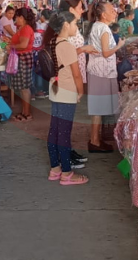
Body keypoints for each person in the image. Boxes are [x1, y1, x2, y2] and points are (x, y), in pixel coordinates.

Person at [46, 11, 88, 185]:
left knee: (54, 130)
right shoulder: (67, 46)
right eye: (75, 24)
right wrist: (81, 91)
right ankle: (67, 173)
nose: (76, 27)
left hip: (56, 89)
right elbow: (76, 74)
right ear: (66, 25)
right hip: (67, 91)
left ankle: (55, 168)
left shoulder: (54, 41)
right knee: (64, 133)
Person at [87, 1, 126, 152]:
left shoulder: (98, 26)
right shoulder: (103, 28)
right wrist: (119, 46)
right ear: (103, 15)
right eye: (112, 10)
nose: (115, 13)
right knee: (98, 108)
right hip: (101, 72)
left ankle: (95, 139)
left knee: (98, 107)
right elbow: (105, 52)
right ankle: (94, 141)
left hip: (99, 70)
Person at [7, 7, 37, 122]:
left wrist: (11, 46)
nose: (16, 20)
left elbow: (23, 45)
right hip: (21, 58)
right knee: (22, 87)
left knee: (24, 87)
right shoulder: (23, 28)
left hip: (23, 58)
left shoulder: (26, 29)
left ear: (22, 18)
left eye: (17, 17)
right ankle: (24, 112)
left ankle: (27, 113)